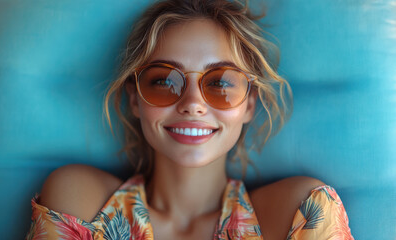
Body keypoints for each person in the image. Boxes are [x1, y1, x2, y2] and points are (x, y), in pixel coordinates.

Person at [25, 0, 354, 239]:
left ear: (250, 104)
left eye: (220, 83)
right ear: (135, 99)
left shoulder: (300, 211)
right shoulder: (81, 203)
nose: (193, 104)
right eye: (165, 81)